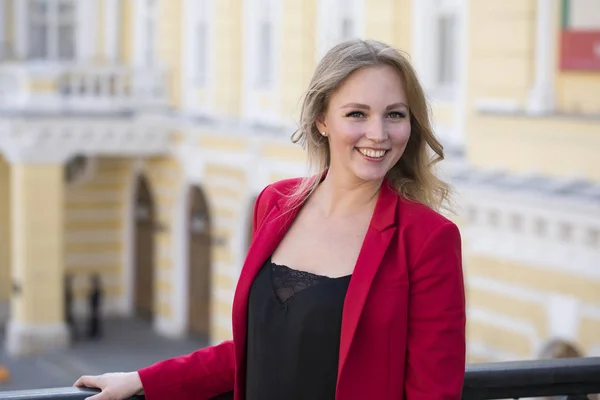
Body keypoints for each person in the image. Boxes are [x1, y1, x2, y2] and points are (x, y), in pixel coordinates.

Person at [74, 39, 466, 400]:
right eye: (357, 114)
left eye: (394, 115)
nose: (378, 133)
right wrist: (144, 380)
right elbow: (257, 345)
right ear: (322, 120)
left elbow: (434, 391)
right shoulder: (275, 203)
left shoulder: (428, 239)